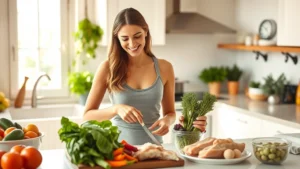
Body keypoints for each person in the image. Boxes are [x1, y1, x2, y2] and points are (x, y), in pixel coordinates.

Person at [83, 8, 207, 145]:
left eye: (137, 36)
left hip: (155, 149)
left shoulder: (165, 68)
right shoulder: (107, 68)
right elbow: (87, 116)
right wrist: (116, 109)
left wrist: (167, 121)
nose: (132, 44)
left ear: (146, 32)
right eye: (125, 38)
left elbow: (170, 113)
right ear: (117, 38)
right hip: (120, 151)